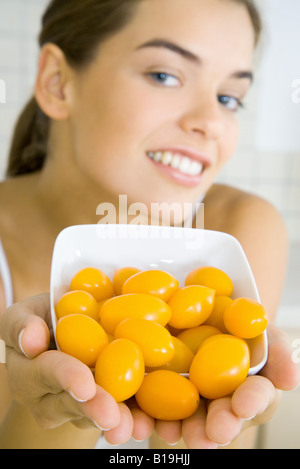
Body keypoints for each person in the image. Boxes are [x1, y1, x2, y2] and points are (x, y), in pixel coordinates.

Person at [0, 0, 299, 450]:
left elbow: (193, 430)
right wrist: (65, 405)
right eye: (165, 75)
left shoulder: (240, 228)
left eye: (228, 98)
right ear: (58, 83)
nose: (211, 123)